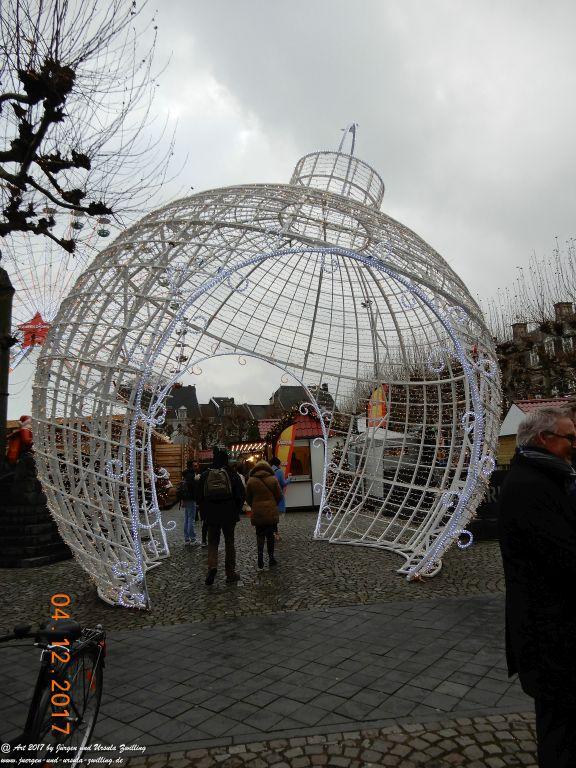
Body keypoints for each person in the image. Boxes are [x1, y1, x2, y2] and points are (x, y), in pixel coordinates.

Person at [498, 406, 576, 767]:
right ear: (544, 438)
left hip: (555, 629)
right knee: (561, 727)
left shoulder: (550, 478)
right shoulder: (531, 487)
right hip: (550, 632)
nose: (574, 444)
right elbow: (562, 559)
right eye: (569, 438)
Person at [196, 449, 245, 585]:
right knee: (229, 542)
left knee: (212, 542)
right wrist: (236, 510)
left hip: (211, 515)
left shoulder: (205, 475)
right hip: (229, 514)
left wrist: (204, 512)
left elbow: (198, 496)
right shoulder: (231, 474)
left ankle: (212, 567)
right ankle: (230, 573)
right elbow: (241, 493)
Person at [246, 460, 282, 569]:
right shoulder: (273, 479)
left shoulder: (251, 480)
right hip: (270, 511)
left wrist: (254, 505)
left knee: (260, 534)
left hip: (258, 512)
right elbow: (279, 495)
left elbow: (248, 498)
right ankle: (271, 558)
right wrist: (273, 504)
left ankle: (260, 556)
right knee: (270, 535)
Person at [270, 456, 290, 541]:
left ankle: (272, 533)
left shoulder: (268, 471)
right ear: (278, 464)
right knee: (275, 516)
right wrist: (289, 478)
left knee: (271, 516)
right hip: (277, 497)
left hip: (269, 497)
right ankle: (275, 534)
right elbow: (283, 483)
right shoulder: (279, 471)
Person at [180, 459, 198, 545]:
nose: (196, 467)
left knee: (187, 519)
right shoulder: (191, 475)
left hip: (186, 498)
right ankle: (193, 539)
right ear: (191, 466)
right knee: (191, 519)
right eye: (195, 466)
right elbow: (193, 488)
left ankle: (187, 539)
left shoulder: (186, 474)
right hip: (191, 499)